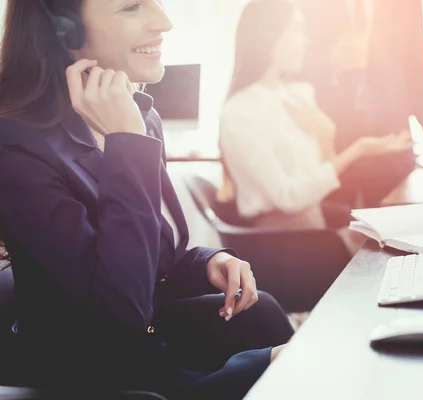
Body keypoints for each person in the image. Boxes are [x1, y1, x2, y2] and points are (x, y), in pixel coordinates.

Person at [0, 1, 293, 399]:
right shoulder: (17, 148)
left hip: (146, 337)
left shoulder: (137, 115)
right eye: (131, 7)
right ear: (64, 27)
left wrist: (207, 262)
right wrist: (128, 144)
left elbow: (147, 260)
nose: (165, 21)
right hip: (94, 371)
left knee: (263, 314)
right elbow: (117, 313)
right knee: (280, 366)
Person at [218, 0, 412, 252]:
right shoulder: (242, 109)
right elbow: (288, 198)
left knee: (396, 240)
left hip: (315, 228)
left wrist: (326, 135)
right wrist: (357, 150)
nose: (306, 41)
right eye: (297, 29)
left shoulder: (294, 96)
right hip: (285, 245)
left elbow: (317, 183)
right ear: (270, 35)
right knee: (389, 252)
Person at [296, 0, 423, 207]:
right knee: (337, 223)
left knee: (396, 222)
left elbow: (416, 72)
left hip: (391, 138)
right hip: (333, 142)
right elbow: (292, 64)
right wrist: (333, 62)